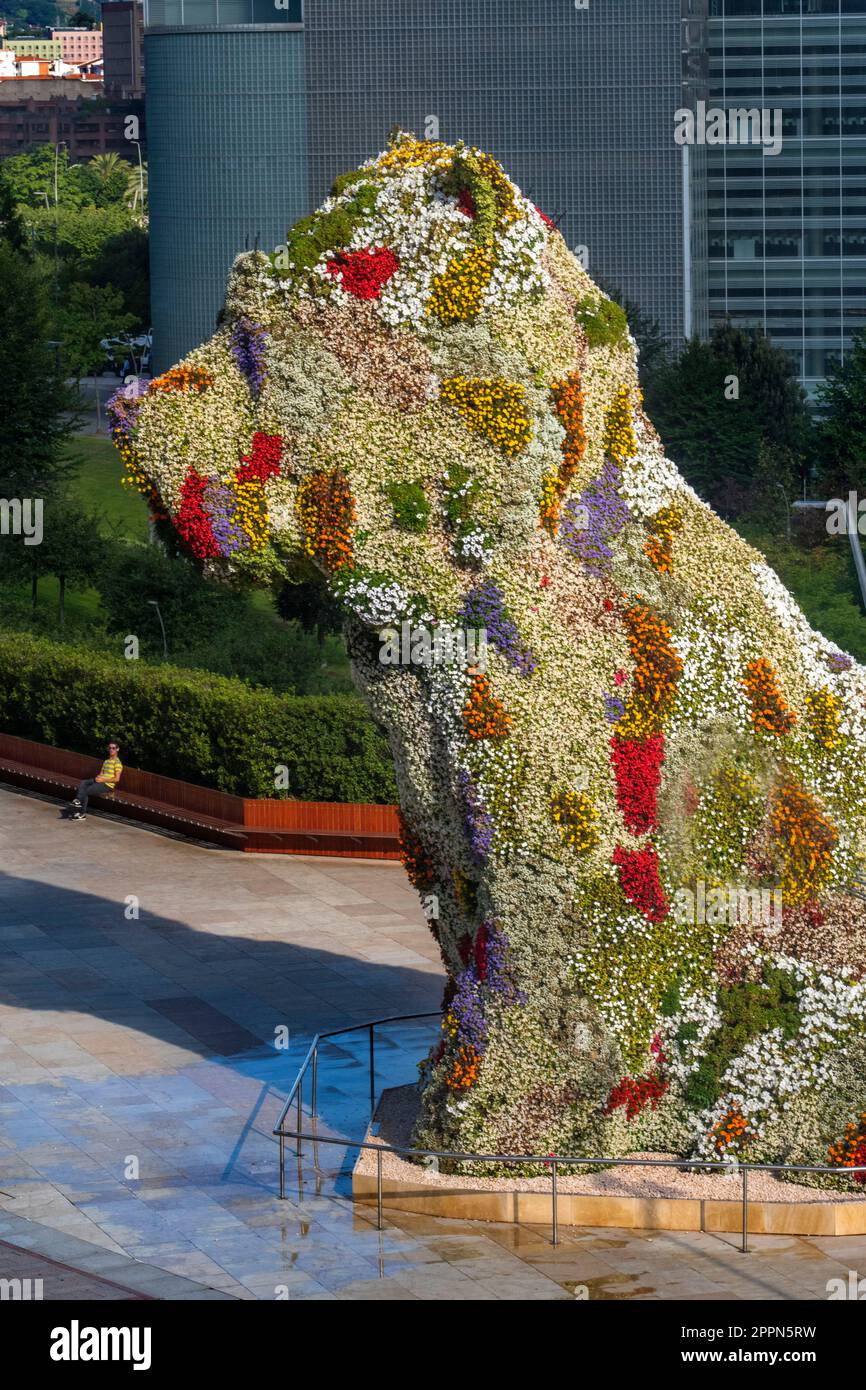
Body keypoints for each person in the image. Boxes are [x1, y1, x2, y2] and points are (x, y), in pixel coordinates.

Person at [69, 742, 123, 821]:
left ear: (117, 749)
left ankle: (82, 813)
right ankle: (78, 801)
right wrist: (98, 777)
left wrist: (103, 779)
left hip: (107, 785)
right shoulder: (106, 761)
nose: (111, 750)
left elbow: (117, 779)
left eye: (113, 748)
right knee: (84, 782)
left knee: (86, 791)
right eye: (110, 748)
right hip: (101, 781)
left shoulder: (117, 763)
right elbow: (102, 773)